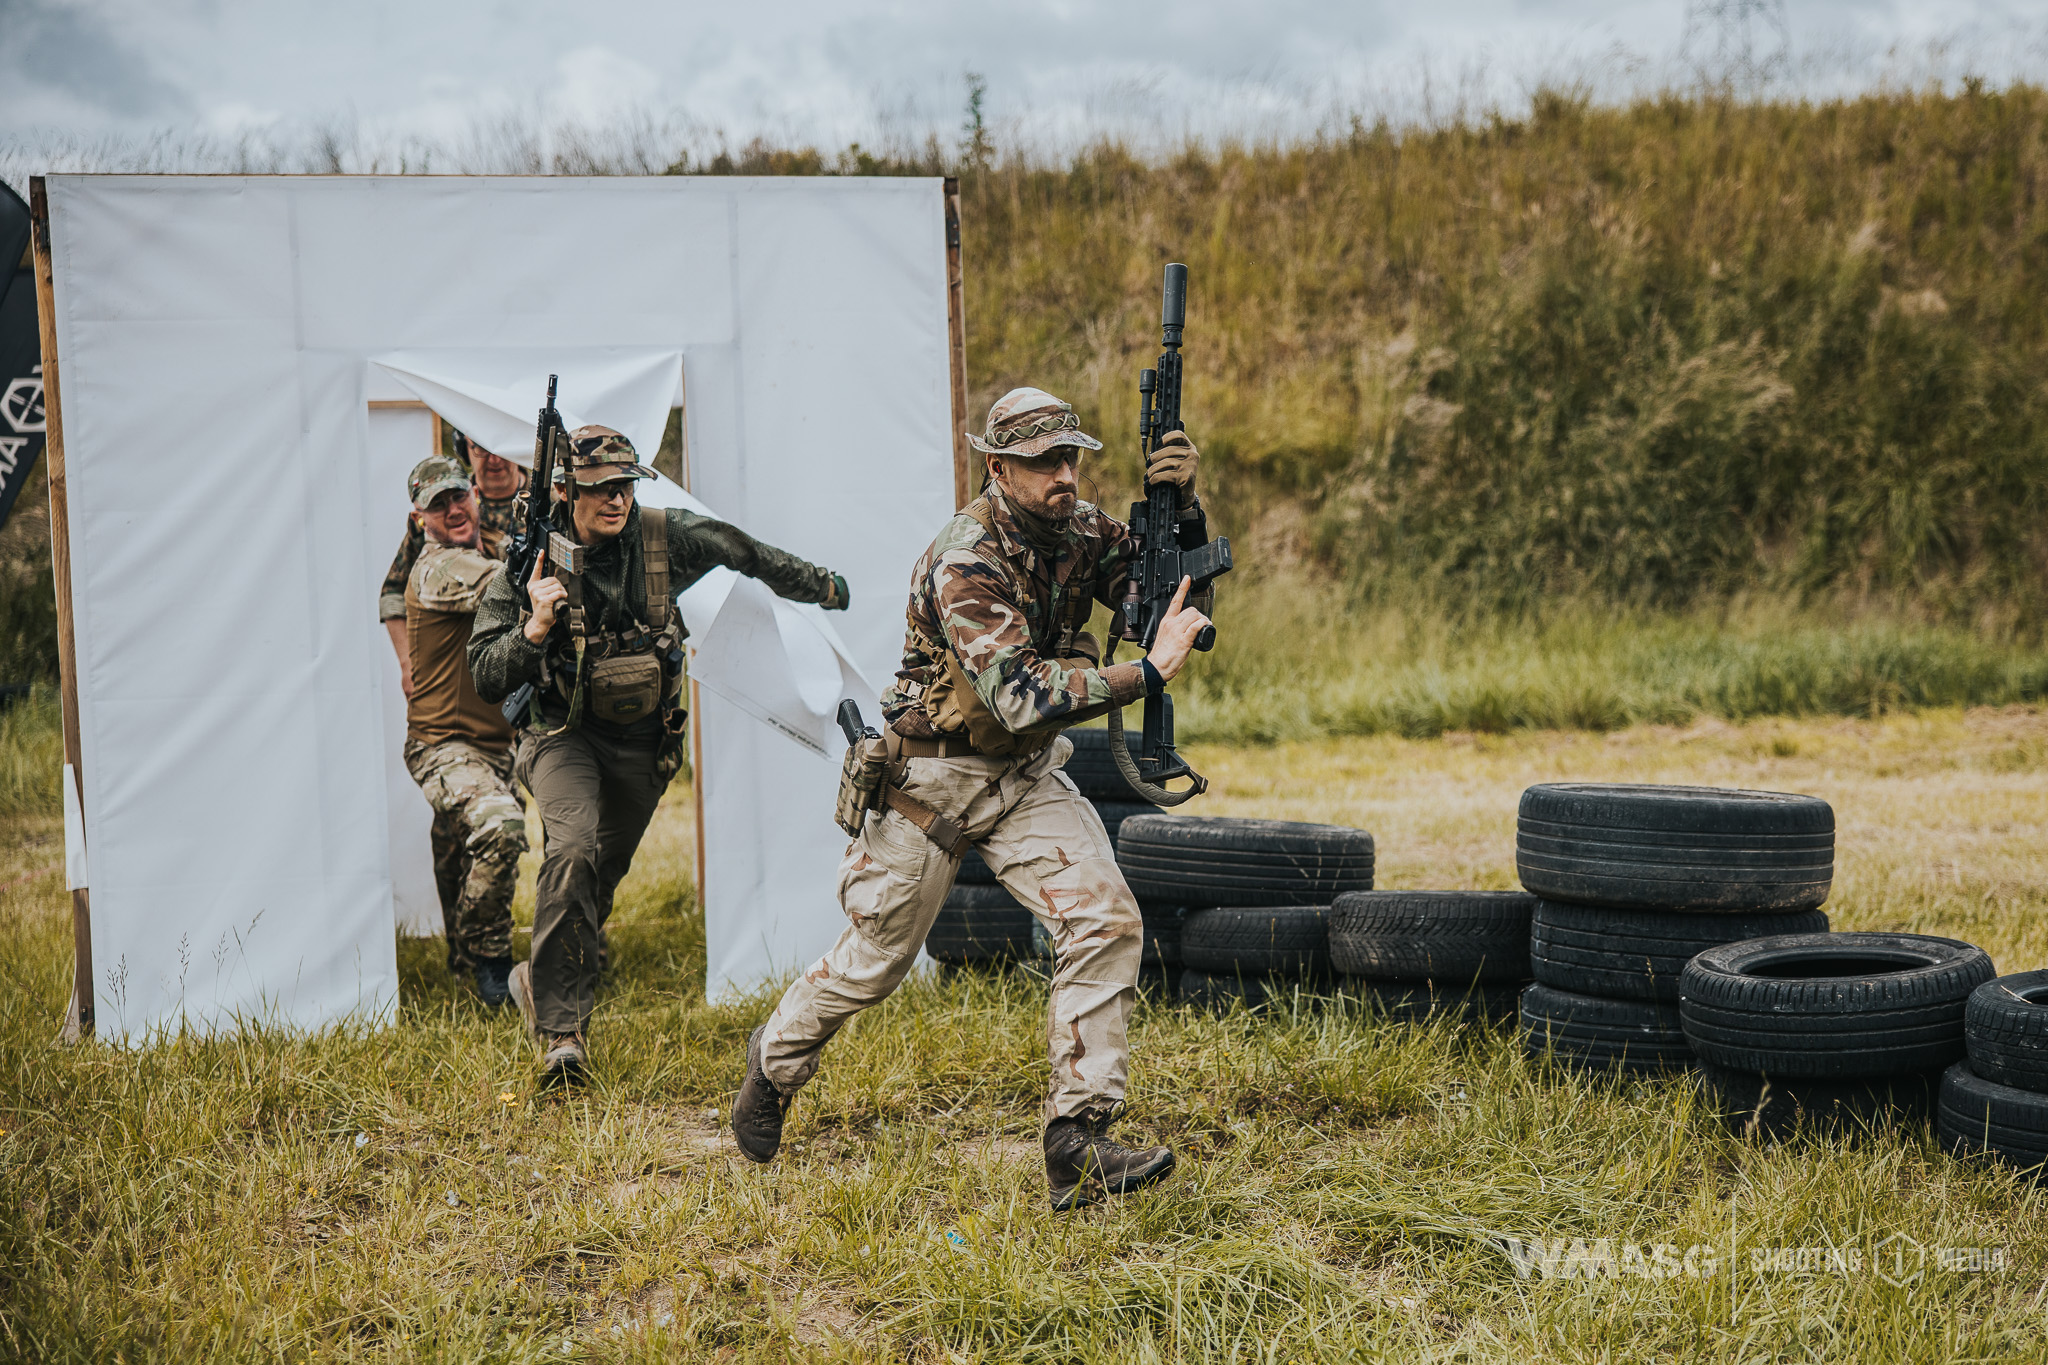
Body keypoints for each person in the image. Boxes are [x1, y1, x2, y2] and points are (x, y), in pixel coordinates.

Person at [731, 386, 1213, 1211]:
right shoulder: (967, 560)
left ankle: (1077, 1139)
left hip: (1022, 774)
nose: (1065, 476)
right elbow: (1021, 692)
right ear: (999, 468)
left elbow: (1162, 602)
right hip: (932, 778)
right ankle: (774, 1060)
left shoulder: (1080, 527)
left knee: (1105, 917)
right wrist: (1148, 672)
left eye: (1072, 458)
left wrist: (1185, 515)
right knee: (875, 962)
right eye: (1043, 463)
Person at [467, 426, 850, 1087]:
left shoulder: (662, 536)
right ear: (565, 492)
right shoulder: (529, 562)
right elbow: (485, 673)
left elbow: (741, 549)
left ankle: (543, 973)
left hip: (645, 741)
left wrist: (824, 587)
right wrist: (533, 627)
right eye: (600, 489)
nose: (617, 499)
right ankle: (564, 1032)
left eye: (625, 485)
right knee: (574, 850)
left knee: (597, 877)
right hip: (561, 735)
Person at [398, 455, 528, 1005]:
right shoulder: (438, 567)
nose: (453, 510)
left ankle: (461, 958)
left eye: (459, 497)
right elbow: (511, 586)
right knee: (500, 827)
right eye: (438, 504)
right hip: (442, 744)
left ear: (475, 494)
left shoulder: (486, 554)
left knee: (457, 850)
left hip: (495, 745)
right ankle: (490, 957)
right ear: (419, 516)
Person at [381, 433, 526, 699]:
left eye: (502, 446)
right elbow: (393, 593)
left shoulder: (549, 501)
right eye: (481, 448)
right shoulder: (439, 510)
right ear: (466, 451)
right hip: (461, 666)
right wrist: (407, 664)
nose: (494, 459)